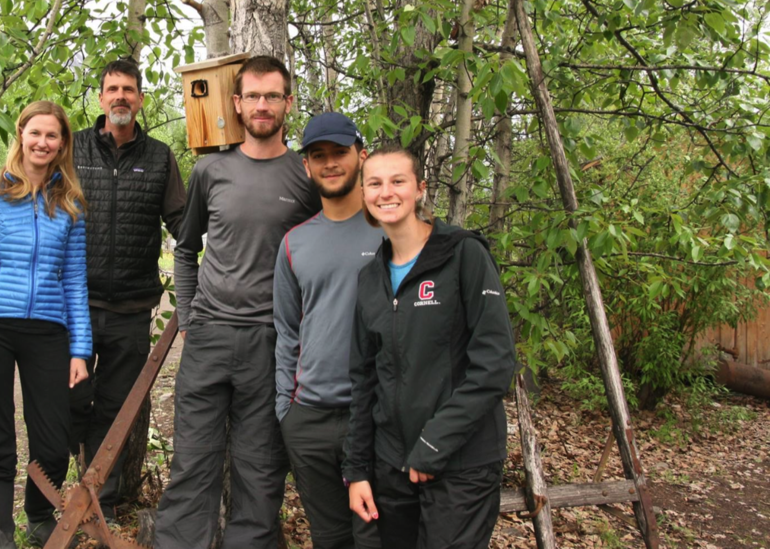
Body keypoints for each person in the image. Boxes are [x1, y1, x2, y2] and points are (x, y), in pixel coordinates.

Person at [155, 55, 321, 549]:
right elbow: (186, 249)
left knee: (260, 468)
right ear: (238, 103)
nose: (263, 105)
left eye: (273, 96)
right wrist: (189, 318)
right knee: (193, 460)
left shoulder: (306, 176)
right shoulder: (211, 169)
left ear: (288, 103)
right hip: (208, 339)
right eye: (254, 96)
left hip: (272, 344)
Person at [344, 147, 517, 549]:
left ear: (420, 189)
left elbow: (494, 364)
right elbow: (363, 380)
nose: (386, 192)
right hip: (393, 465)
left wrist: (433, 443)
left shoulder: (463, 255)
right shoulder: (370, 279)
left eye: (398, 181)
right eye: (375, 183)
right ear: (364, 193)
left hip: (461, 463)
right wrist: (357, 471)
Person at [0, 100, 91, 549]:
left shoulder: (70, 203)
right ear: (21, 135)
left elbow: (74, 280)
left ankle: (38, 514)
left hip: (48, 329)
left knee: (53, 437)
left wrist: (79, 349)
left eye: (52, 135)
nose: (43, 142)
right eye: (35, 133)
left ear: (62, 144)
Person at [70, 58, 186, 520]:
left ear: (140, 99)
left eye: (129, 90)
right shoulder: (73, 148)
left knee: (118, 410)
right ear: (100, 98)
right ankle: (57, 497)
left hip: (131, 308)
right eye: (112, 89)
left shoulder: (159, 157)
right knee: (68, 402)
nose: (120, 96)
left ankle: (106, 501)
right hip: (73, 305)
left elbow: (181, 220)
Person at [273, 112, 382, 549]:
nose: (330, 163)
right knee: (330, 538)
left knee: (376, 536)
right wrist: (287, 411)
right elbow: (286, 330)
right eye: (319, 156)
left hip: (373, 417)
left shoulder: (391, 232)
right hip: (309, 420)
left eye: (340, 153)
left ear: (362, 156)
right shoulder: (294, 242)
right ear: (307, 166)